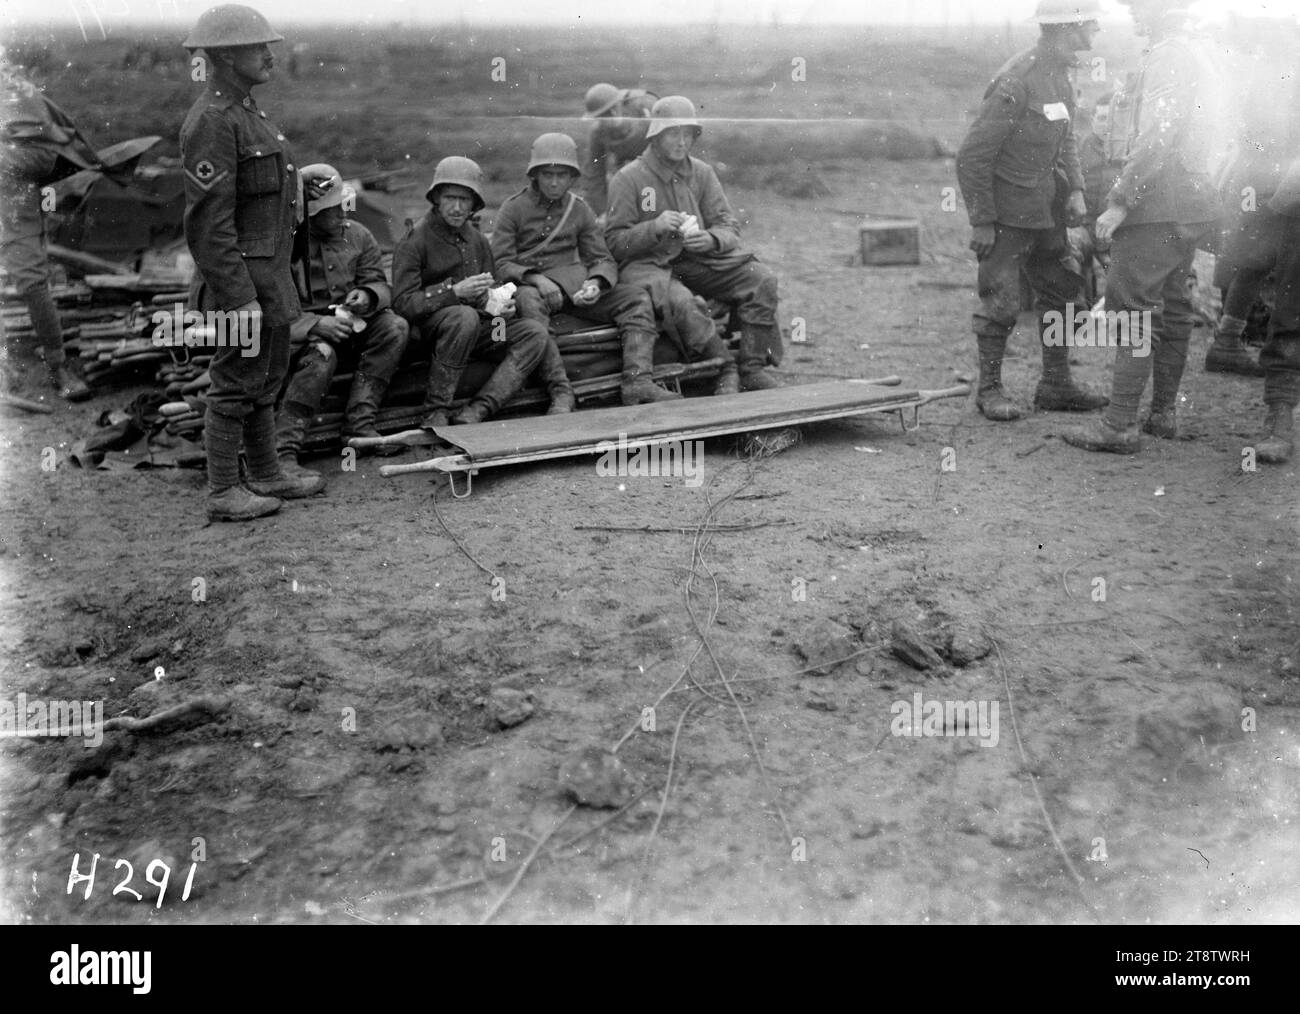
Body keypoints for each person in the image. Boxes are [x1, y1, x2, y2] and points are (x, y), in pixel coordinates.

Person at [181, 3, 328, 521]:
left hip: (269, 277)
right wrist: (238, 297)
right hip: (241, 282)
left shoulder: (246, 113)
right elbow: (208, 224)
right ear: (224, 57)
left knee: (266, 378)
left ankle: (266, 474)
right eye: (257, 47)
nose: (269, 55)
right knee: (235, 381)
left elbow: (251, 189)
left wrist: (297, 182)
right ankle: (224, 491)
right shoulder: (214, 122)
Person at [1064, 0, 1227, 453]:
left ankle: (1119, 426)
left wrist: (1119, 200)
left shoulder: (1169, 56)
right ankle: (1162, 415)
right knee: (1173, 304)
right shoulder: (1196, 50)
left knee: (1134, 308)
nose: (1133, 13)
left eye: (1139, 6)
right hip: (1189, 202)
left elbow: (1158, 133)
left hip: (1158, 203)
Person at [955, 0, 1108, 421]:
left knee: (1062, 291)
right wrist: (982, 220)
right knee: (1002, 304)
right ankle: (989, 390)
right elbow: (972, 155)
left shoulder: (1060, 75)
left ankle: (1055, 384)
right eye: (1089, 24)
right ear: (1066, 29)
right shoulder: (1017, 81)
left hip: (1048, 211)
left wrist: (1075, 187)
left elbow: (1067, 138)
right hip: (1007, 217)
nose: (1096, 31)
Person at [605, 95, 781, 394]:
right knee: (684, 304)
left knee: (761, 279)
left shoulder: (701, 172)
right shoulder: (629, 178)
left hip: (698, 261)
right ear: (657, 136)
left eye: (688, 135)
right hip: (650, 266)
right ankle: (724, 367)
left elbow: (728, 225)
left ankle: (751, 367)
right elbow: (614, 243)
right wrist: (654, 228)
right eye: (674, 134)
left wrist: (710, 239)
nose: (682, 142)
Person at [491, 132, 677, 409]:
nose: (555, 182)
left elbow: (601, 257)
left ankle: (638, 382)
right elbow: (501, 262)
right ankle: (560, 390)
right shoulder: (513, 209)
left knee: (636, 299)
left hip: (574, 288)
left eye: (562, 175)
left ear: (572, 177)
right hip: (533, 290)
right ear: (535, 175)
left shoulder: (579, 210)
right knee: (528, 301)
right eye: (547, 175)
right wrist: (536, 279)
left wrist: (595, 284)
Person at [391, 156, 547, 428]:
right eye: (450, 198)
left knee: (533, 333)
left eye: (465, 200)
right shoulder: (415, 240)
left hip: (478, 328)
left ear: (474, 204)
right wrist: (453, 292)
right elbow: (403, 304)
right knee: (464, 316)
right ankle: (436, 411)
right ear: (437, 198)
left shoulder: (476, 239)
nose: (457, 207)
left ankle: (479, 409)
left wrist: (499, 305)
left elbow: (492, 288)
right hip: (431, 336)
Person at [274, 163, 409, 473]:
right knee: (321, 355)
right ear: (311, 213)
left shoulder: (358, 236)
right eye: (332, 211)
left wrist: (367, 295)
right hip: (301, 337)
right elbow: (275, 307)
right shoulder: (286, 246)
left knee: (395, 327)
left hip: (352, 324)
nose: (342, 215)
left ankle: (359, 426)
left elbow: (377, 280)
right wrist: (313, 325)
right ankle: (285, 450)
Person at [0, 56, 101, 402]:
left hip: (13, 207)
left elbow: (44, 159)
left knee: (32, 284)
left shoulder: (19, 95)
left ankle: (58, 365)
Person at [578, 83, 657, 217]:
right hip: (626, 172)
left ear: (614, 111)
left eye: (603, 117)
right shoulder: (598, 131)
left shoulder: (646, 110)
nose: (599, 123)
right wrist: (601, 212)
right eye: (597, 118)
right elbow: (593, 176)